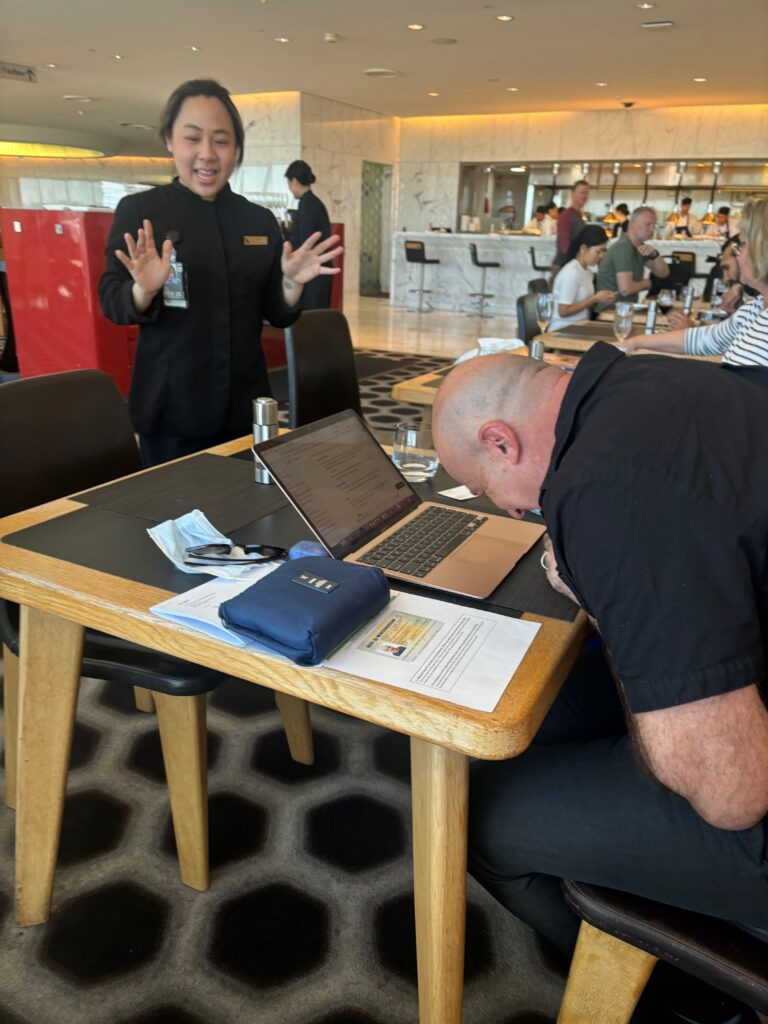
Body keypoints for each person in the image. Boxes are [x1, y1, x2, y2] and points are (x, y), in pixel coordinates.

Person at [432, 347, 768, 1024]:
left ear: (501, 441)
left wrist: (603, 595)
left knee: (478, 811)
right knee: (530, 718)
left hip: (748, 784)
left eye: (485, 486)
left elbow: (732, 793)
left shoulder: (604, 489)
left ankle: (694, 999)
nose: (516, 514)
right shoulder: (647, 380)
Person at [99, 80, 341, 467]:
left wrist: (291, 284)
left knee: (250, 519)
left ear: (237, 148)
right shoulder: (141, 210)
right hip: (170, 410)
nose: (207, 155)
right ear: (169, 141)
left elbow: (276, 313)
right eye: (192, 139)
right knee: (172, 522)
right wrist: (143, 290)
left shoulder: (257, 220)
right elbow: (112, 300)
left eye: (221, 141)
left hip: (243, 408)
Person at [624, 198, 768, 364]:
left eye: (741, 245)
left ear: (761, 251)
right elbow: (704, 339)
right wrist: (634, 342)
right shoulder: (753, 309)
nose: (738, 254)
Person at [594, 205, 670, 310]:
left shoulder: (638, 247)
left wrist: (654, 255)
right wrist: (648, 283)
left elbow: (663, 273)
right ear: (633, 224)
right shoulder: (624, 248)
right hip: (610, 312)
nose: (652, 229)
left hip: (624, 309)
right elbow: (626, 290)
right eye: (648, 224)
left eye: (654, 225)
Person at [284, 159, 334, 310]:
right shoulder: (314, 202)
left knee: (311, 323)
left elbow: (305, 242)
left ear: (294, 181)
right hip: (319, 272)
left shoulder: (306, 205)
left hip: (313, 275)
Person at [548, 225, 616, 331]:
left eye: (604, 252)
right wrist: (594, 299)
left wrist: (601, 299)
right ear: (583, 248)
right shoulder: (572, 272)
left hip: (580, 326)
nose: (601, 256)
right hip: (563, 329)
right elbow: (563, 311)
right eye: (598, 251)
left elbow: (583, 305)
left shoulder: (587, 272)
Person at [552, 180, 590, 274]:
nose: (584, 196)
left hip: (573, 264)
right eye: (581, 193)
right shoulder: (567, 215)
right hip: (564, 264)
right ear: (573, 194)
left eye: (586, 193)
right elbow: (564, 245)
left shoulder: (578, 215)